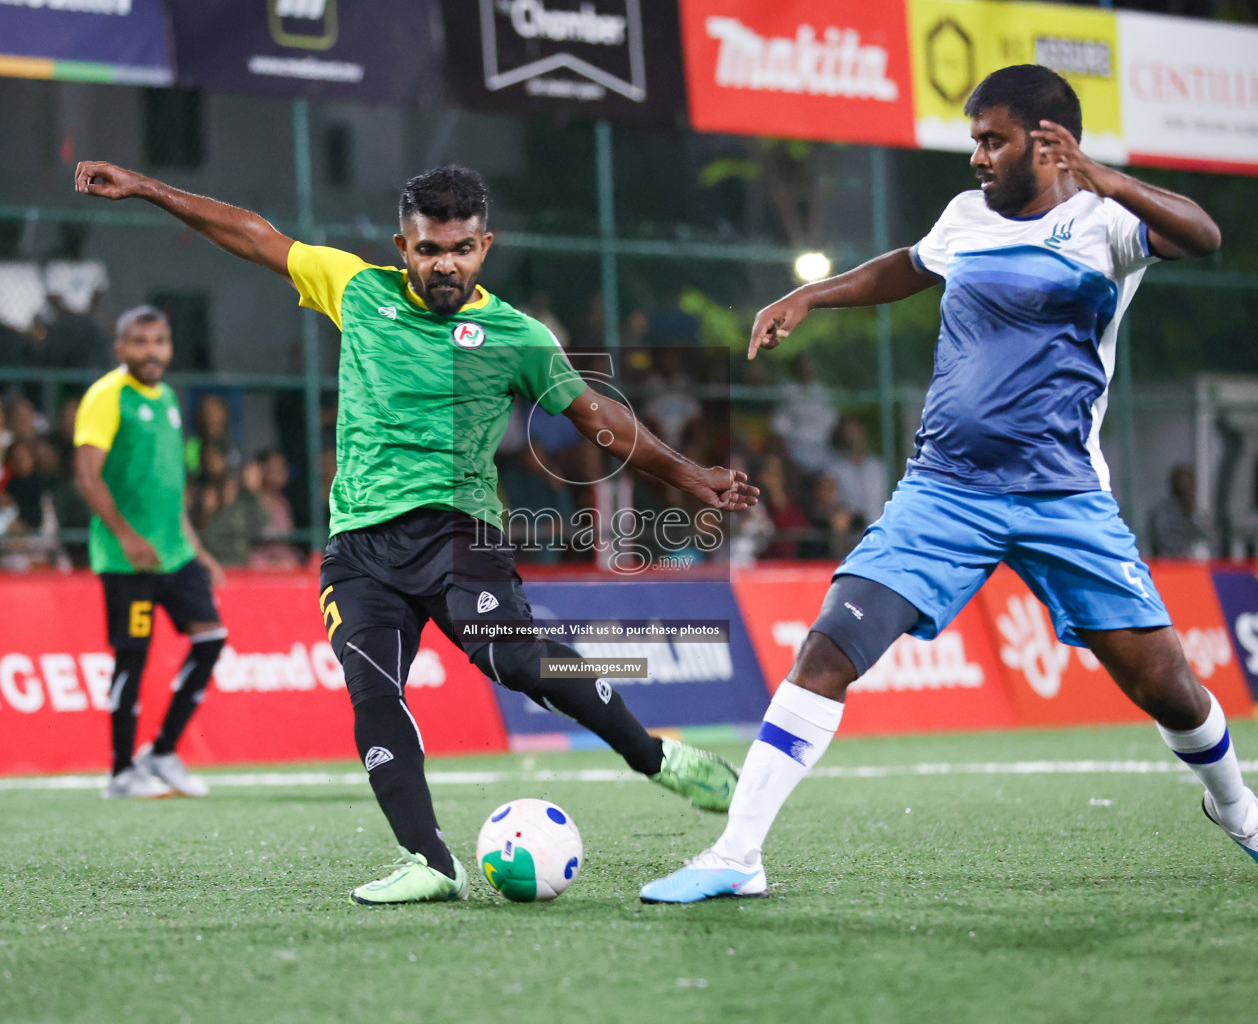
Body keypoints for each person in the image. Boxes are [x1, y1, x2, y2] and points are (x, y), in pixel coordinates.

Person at [642, 64, 1258, 904]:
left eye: (991, 140)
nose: (977, 156)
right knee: (825, 649)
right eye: (975, 139)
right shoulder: (967, 218)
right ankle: (737, 853)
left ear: (1048, 144)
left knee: (1168, 687)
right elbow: (907, 267)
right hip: (945, 492)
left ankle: (1241, 809)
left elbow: (1205, 235)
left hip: (1062, 497)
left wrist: (1104, 175)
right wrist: (810, 295)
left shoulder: (1106, 224)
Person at [75, 158, 759, 904]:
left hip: (459, 535)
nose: (446, 265)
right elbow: (252, 235)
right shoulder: (357, 289)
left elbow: (595, 417)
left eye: (461, 249)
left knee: (520, 665)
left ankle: (653, 756)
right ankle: (429, 861)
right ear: (403, 247)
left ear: (485, 246)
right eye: (430, 249)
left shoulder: (515, 334)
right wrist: (148, 188)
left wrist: (691, 475)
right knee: (373, 691)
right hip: (359, 549)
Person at [72, 306, 229, 801]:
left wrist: (196, 548)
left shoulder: (166, 399)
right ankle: (120, 773)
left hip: (175, 554)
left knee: (211, 639)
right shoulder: (106, 396)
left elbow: (167, 485)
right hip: (127, 561)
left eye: (159, 341)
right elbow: (87, 476)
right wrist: (125, 535)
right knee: (132, 662)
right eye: (139, 342)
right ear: (120, 349)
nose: (151, 351)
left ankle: (161, 751)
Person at [1147, 464, 1209, 560]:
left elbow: (1206, 539)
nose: (1188, 489)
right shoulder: (1163, 514)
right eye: (1183, 485)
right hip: (1169, 567)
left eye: (1190, 484)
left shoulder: (1196, 514)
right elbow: (1166, 544)